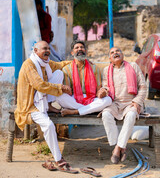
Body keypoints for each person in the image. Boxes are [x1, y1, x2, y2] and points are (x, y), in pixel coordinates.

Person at [14, 41, 78, 173]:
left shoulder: (46, 62)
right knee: (48, 125)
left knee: (59, 73)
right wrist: (61, 87)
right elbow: (40, 85)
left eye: (48, 48)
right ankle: (59, 159)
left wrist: (76, 61)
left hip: (41, 101)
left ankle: (48, 105)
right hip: (30, 106)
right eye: (44, 49)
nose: (47, 51)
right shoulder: (29, 65)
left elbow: (59, 65)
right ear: (36, 51)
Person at [101, 47, 147, 164]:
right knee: (106, 114)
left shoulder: (133, 66)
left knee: (131, 115)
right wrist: (103, 91)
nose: (115, 53)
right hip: (114, 103)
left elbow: (143, 86)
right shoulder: (106, 70)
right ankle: (121, 147)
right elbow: (105, 87)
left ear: (123, 55)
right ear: (109, 58)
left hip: (131, 102)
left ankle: (117, 149)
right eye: (112, 52)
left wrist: (137, 102)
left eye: (118, 51)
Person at [49, 40, 112, 116]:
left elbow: (98, 90)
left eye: (82, 47)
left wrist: (101, 92)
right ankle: (92, 110)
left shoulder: (94, 68)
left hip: (91, 98)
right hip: (74, 98)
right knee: (59, 97)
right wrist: (66, 89)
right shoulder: (66, 69)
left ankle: (76, 111)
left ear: (85, 51)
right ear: (72, 53)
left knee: (108, 100)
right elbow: (69, 92)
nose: (80, 49)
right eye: (77, 48)